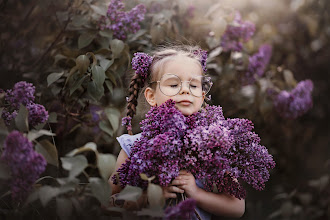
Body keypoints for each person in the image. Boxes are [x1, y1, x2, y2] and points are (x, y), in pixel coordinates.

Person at [109, 45, 245, 219]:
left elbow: (236, 208)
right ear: (151, 96)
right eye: (174, 84)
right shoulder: (134, 146)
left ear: (202, 97)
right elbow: (106, 202)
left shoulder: (213, 146)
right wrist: (150, 197)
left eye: (194, 85)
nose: (185, 90)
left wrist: (196, 194)